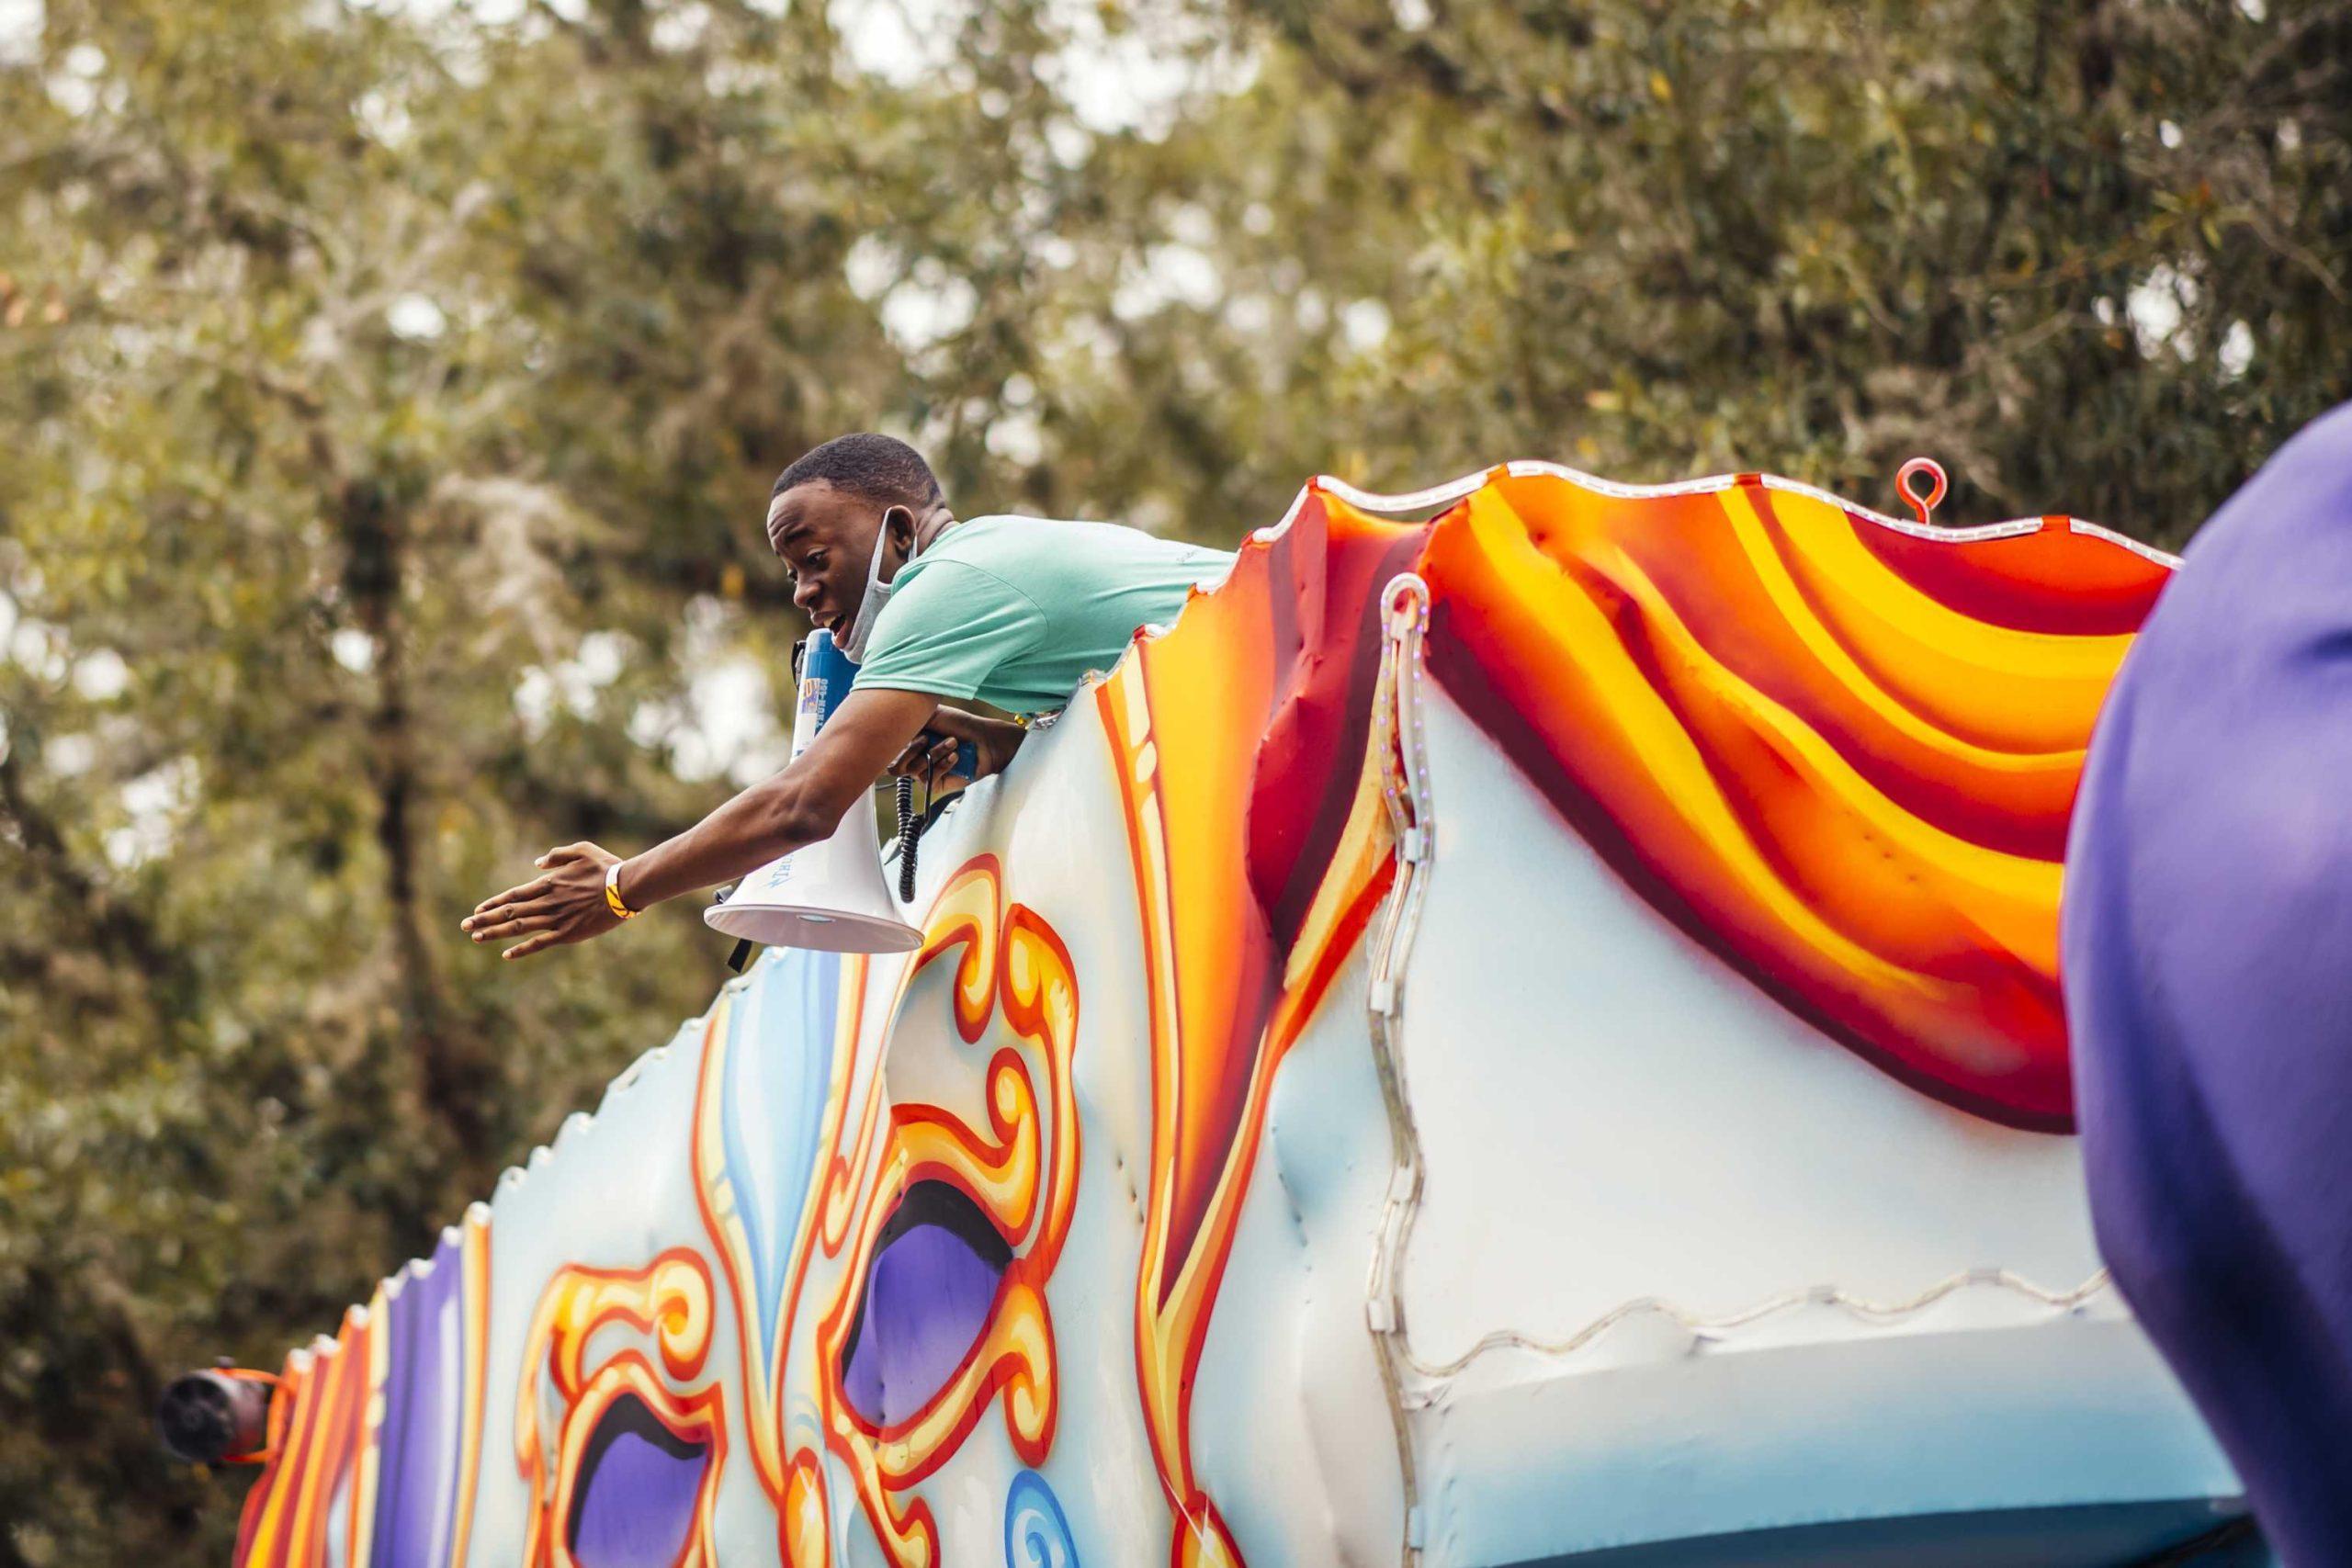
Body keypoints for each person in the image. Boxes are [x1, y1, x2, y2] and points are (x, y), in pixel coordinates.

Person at [463, 433, 1234, 960]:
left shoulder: (946, 585)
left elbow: (804, 806)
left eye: (814, 557)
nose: (802, 593)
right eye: (790, 572)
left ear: (899, 532)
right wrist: (990, 744)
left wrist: (621, 888)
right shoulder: (983, 567)